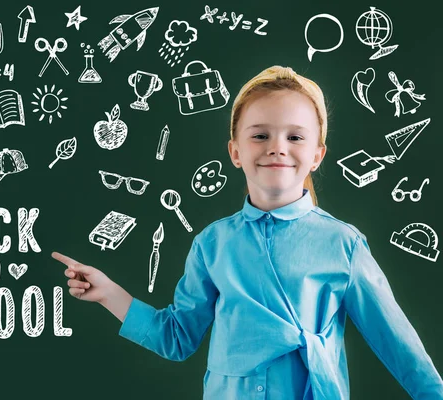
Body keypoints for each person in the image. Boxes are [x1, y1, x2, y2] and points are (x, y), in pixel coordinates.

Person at [51, 66, 443, 399]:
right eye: (260, 135)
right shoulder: (212, 243)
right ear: (235, 151)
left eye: (295, 136)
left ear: (317, 155)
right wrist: (108, 293)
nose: (277, 147)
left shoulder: (344, 244)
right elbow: (175, 337)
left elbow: (399, 345)